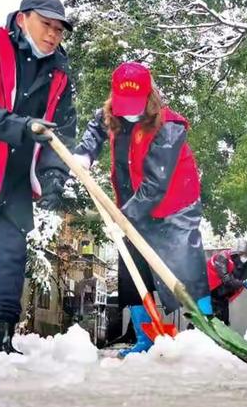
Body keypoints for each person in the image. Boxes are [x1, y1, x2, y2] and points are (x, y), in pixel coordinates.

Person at [73, 62, 212, 356]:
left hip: (174, 206)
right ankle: (145, 336)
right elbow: (96, 128)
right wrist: (84, 154)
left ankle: (205, 331)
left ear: (150, 98)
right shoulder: (113, 114)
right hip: (130, 204)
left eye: (135, 104)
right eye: (123, 104)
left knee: (185, 269)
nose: (129, 111)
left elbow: (155, 185)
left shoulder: (170, 127)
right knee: (132, 269)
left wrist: (123, 217)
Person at [0, 0, 76, 353]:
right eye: (46, 24)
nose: (53, 35)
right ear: (23, 19)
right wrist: (22, 126)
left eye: (59, 29)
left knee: (10, 253)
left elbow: (62, 133)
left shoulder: (60, 73)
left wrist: (53, 176)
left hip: (18, 177)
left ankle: (2, 336)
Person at [207, 239, 247, 325]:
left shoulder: (242, 264)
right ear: (236, 253)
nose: (244, 258)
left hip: (223, 297)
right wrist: (244, 283)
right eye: (243, 254)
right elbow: (227, 279)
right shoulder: (222, 257)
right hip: (211, 294)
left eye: (246, 256)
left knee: (224, 323)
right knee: (211, 322)